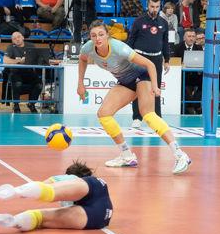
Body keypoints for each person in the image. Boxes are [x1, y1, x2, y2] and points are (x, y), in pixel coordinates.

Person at [78, 21, 191, 174]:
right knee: (104, 114)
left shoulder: (119, 48)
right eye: (93, 35)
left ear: (107, 35)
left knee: (148, 115)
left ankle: (180, 155)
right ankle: (127, 155)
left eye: (101, 34)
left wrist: (155, 86)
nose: (97, 38)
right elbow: (82, 59)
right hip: (125, 81)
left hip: (142, 76)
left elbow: (150, 64)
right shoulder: (88, 48)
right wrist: (80, 83)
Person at [0, 159, 112, 232]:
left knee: (49, 191)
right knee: (40, 219)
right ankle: (12, 221)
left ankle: (15, 191)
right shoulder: (94, 182)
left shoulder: (74, 179)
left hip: (92, 192)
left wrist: (23, 193)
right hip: (100, 219)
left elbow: (45, 185)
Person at [127, 0, 170, 127]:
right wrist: (128, 58)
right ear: (147, 5)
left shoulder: (164, 23)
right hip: (140, 58)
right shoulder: (139, 21)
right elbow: (131, 40)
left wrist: (167, 60)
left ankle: (157, 117)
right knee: (138, 87)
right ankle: (137, 117)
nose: (154, 9)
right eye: (152, 6)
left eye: (157, 7)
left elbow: (165, 43)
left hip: (156, 59)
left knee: (156, 88)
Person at [4, 31, 43, 113]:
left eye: (18, 37)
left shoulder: (31, 46)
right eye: (14, 39)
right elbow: (5, 60)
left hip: (29, 72)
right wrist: (19, 61)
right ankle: (16, 105)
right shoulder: (11, 47)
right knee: (17, 83)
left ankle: (31, 104)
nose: (17, 39)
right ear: (12, 41)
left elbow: (38, 58)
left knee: (39, 84)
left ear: (23, 37)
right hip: (16, 72)